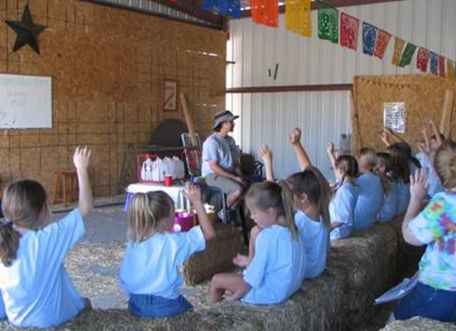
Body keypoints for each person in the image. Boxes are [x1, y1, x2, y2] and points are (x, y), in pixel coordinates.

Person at [0, 147, 93, 328]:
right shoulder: (48, 238)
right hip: (48, 320)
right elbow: (86, 208)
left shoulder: (4, 237)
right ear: (43, 210)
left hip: (15, 318)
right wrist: (81, 168)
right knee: (85, 303)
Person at [119, 184, 215, 319]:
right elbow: (209, 234)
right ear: (164, 220)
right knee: (191, 315)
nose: (175, 217)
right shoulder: (173, 242)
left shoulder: (134, 241)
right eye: (173, 214)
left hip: (135, 304)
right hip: (164, 305)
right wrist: (197, 202)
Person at [209, 181, 306, 304]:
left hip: (270, 293)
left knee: (216, 280)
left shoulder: (267, 236)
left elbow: (252, 278)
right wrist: (249, 262)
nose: (251, 217)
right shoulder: (293, 229)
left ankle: (214, 314)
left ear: (270, 211)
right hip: (290, 287)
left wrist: (239, 291)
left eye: (254, 212)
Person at [394, 141, 456, 322]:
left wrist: (415, 198)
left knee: (397, 319)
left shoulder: (442, 204)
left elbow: (409, 236)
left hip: (440, 289)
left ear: (436, 173)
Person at [201, 111, 244, 210]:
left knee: (246, 187)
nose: (234, 124)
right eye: (231, 122)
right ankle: (222, 213)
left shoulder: (230, 140)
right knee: (237, 189)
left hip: (227, 173)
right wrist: (234, 178)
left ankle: (233, 215)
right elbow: (214, 167)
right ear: (223, 124)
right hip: (213, 175)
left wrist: (240, 176)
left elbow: (235, 162)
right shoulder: (212, 142)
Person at [326, 143, 359, 240]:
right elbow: (337, 169)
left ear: (342, 171)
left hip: (338, 232)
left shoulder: (345, 190)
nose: (334, 170)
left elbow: (342, 219)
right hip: (340, 230)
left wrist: (324, 231)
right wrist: (330, 154)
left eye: (336, 169)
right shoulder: (350, 184)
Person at [354, 148, 384, 230]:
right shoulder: (376, 178)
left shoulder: (364, 179)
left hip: (358, 223)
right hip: (369, 221)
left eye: (357, 157)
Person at [376, 152, 399, 222]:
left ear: (383, 167)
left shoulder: (381, 181)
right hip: (390, 213)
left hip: (383, 215)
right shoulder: (390, 178)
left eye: (374, 163)